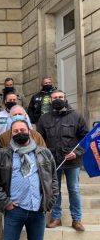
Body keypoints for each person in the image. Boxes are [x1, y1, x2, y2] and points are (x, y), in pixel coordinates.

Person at [0, 120, 58, 240]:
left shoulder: (44, 153)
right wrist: (6, 203)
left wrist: (49, 201)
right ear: (11, 133)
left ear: (29, 131)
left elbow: (53, 179)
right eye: (16, 131)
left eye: (22, 130)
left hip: (37, 209)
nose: (19, 133)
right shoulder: (1, 154)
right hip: (14, 210)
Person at [36, 90, 89, 231]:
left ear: (65, 99)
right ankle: (56, 217)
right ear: (50, 100)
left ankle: (76, 219)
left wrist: (77, 153)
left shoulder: (77, 116)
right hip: (53, 161)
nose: (57, 99)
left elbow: (86, 139)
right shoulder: (44, 118)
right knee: (55, 190)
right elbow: (39, 141)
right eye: (54, 98)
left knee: (74, 190)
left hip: (72, 161)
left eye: (60, 97)